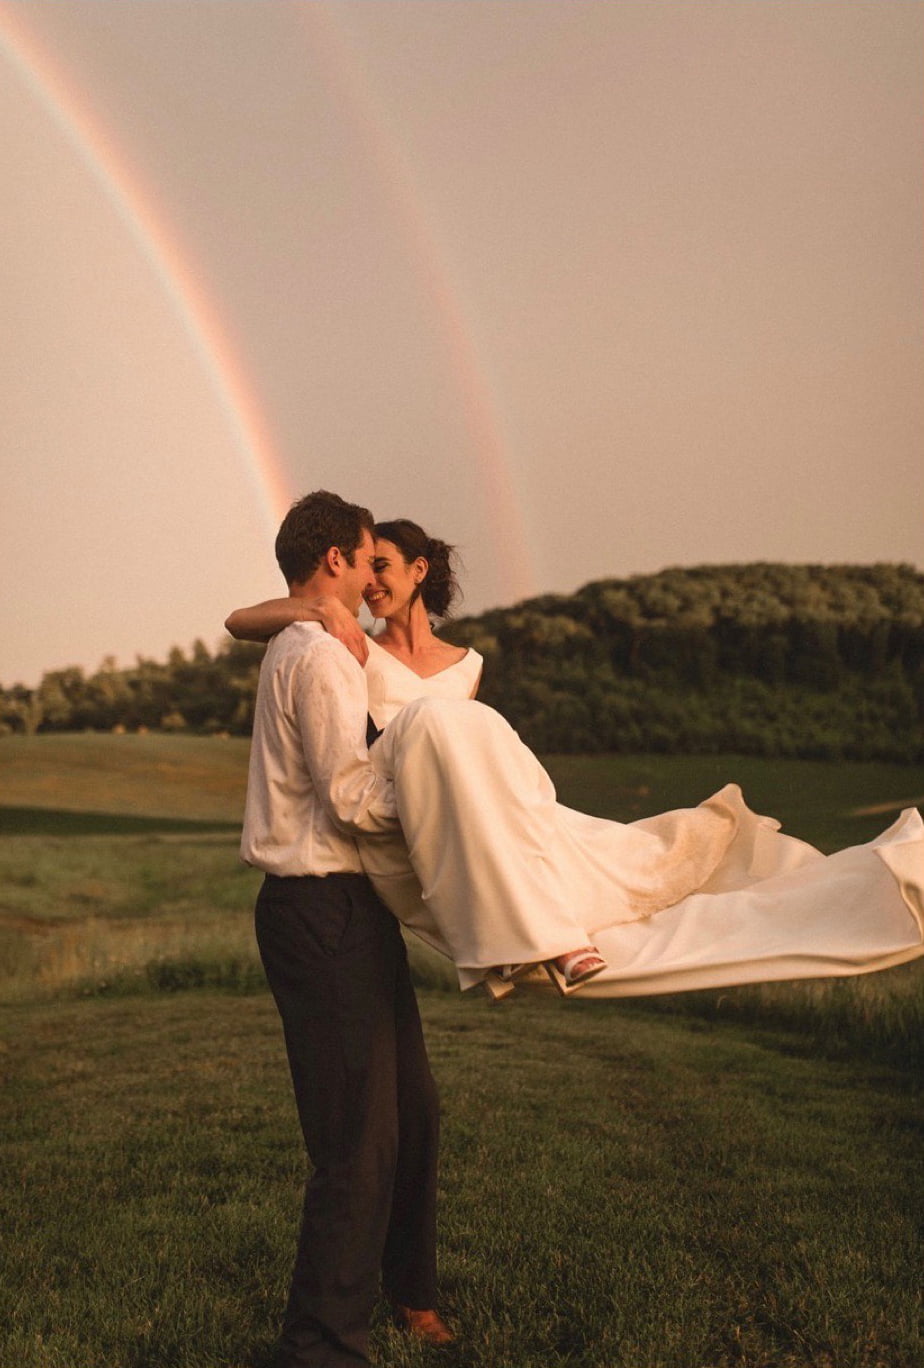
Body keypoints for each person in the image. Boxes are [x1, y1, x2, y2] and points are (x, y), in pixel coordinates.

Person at [229, 518, 924, 1003]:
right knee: (440, 725)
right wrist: (322, 613)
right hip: (430, 811)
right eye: (363, 566)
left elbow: (478, 757)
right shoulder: (350, 642)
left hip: (492, 797)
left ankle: (856, 883)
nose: (371, 583)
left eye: (383, 566)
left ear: (418, 571)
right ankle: (541, 939)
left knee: (632, 858)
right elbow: (240, 621)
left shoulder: (468, 663)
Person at [239, 491, 452, 1368]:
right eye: (365, 561)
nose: (371, 579)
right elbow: (352, 796)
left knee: (415, 1114)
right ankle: (319, 1347)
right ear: (333, 560)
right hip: (318, 909)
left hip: (351, 911)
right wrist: (453, 807)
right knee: (354, 1140)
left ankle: (409, 1290)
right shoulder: (320, 657)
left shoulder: (317, 641)